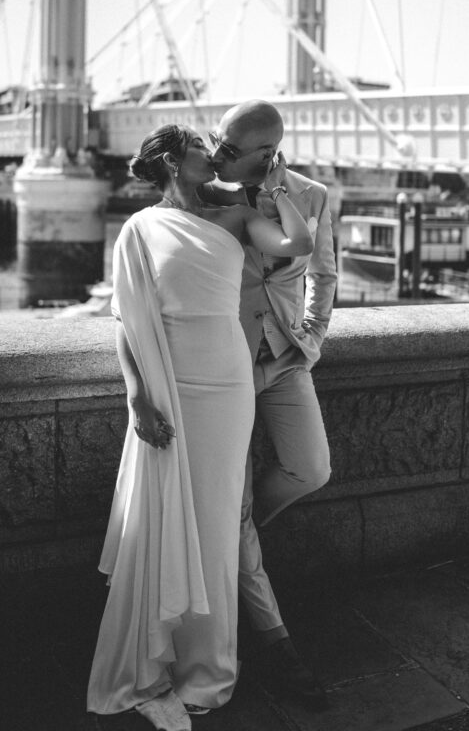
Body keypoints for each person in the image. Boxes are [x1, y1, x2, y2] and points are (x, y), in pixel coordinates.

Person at [87, 124, 313, 731]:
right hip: (173, 383)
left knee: (215, 525)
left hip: (230, 383)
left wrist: (274, 182)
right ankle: (164, 657)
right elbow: (127, 319)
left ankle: (211, 673)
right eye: (198, 145)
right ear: (169, 159)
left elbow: (297, 243)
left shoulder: (237, 215)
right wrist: (138, 398)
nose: (211, 155)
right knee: (168, 518)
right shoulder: (138, 229)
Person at [202, 99, 337, 710]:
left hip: (282, 358)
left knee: (311, 468)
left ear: (267, 153)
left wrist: (310, 339)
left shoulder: (310, 193)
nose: (217, 156)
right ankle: (277, 645)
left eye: (230, 150)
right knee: (231, 511)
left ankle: (237, 533)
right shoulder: (202, 194)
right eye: (216, 143)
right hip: (225, 363)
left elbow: (324, 275)